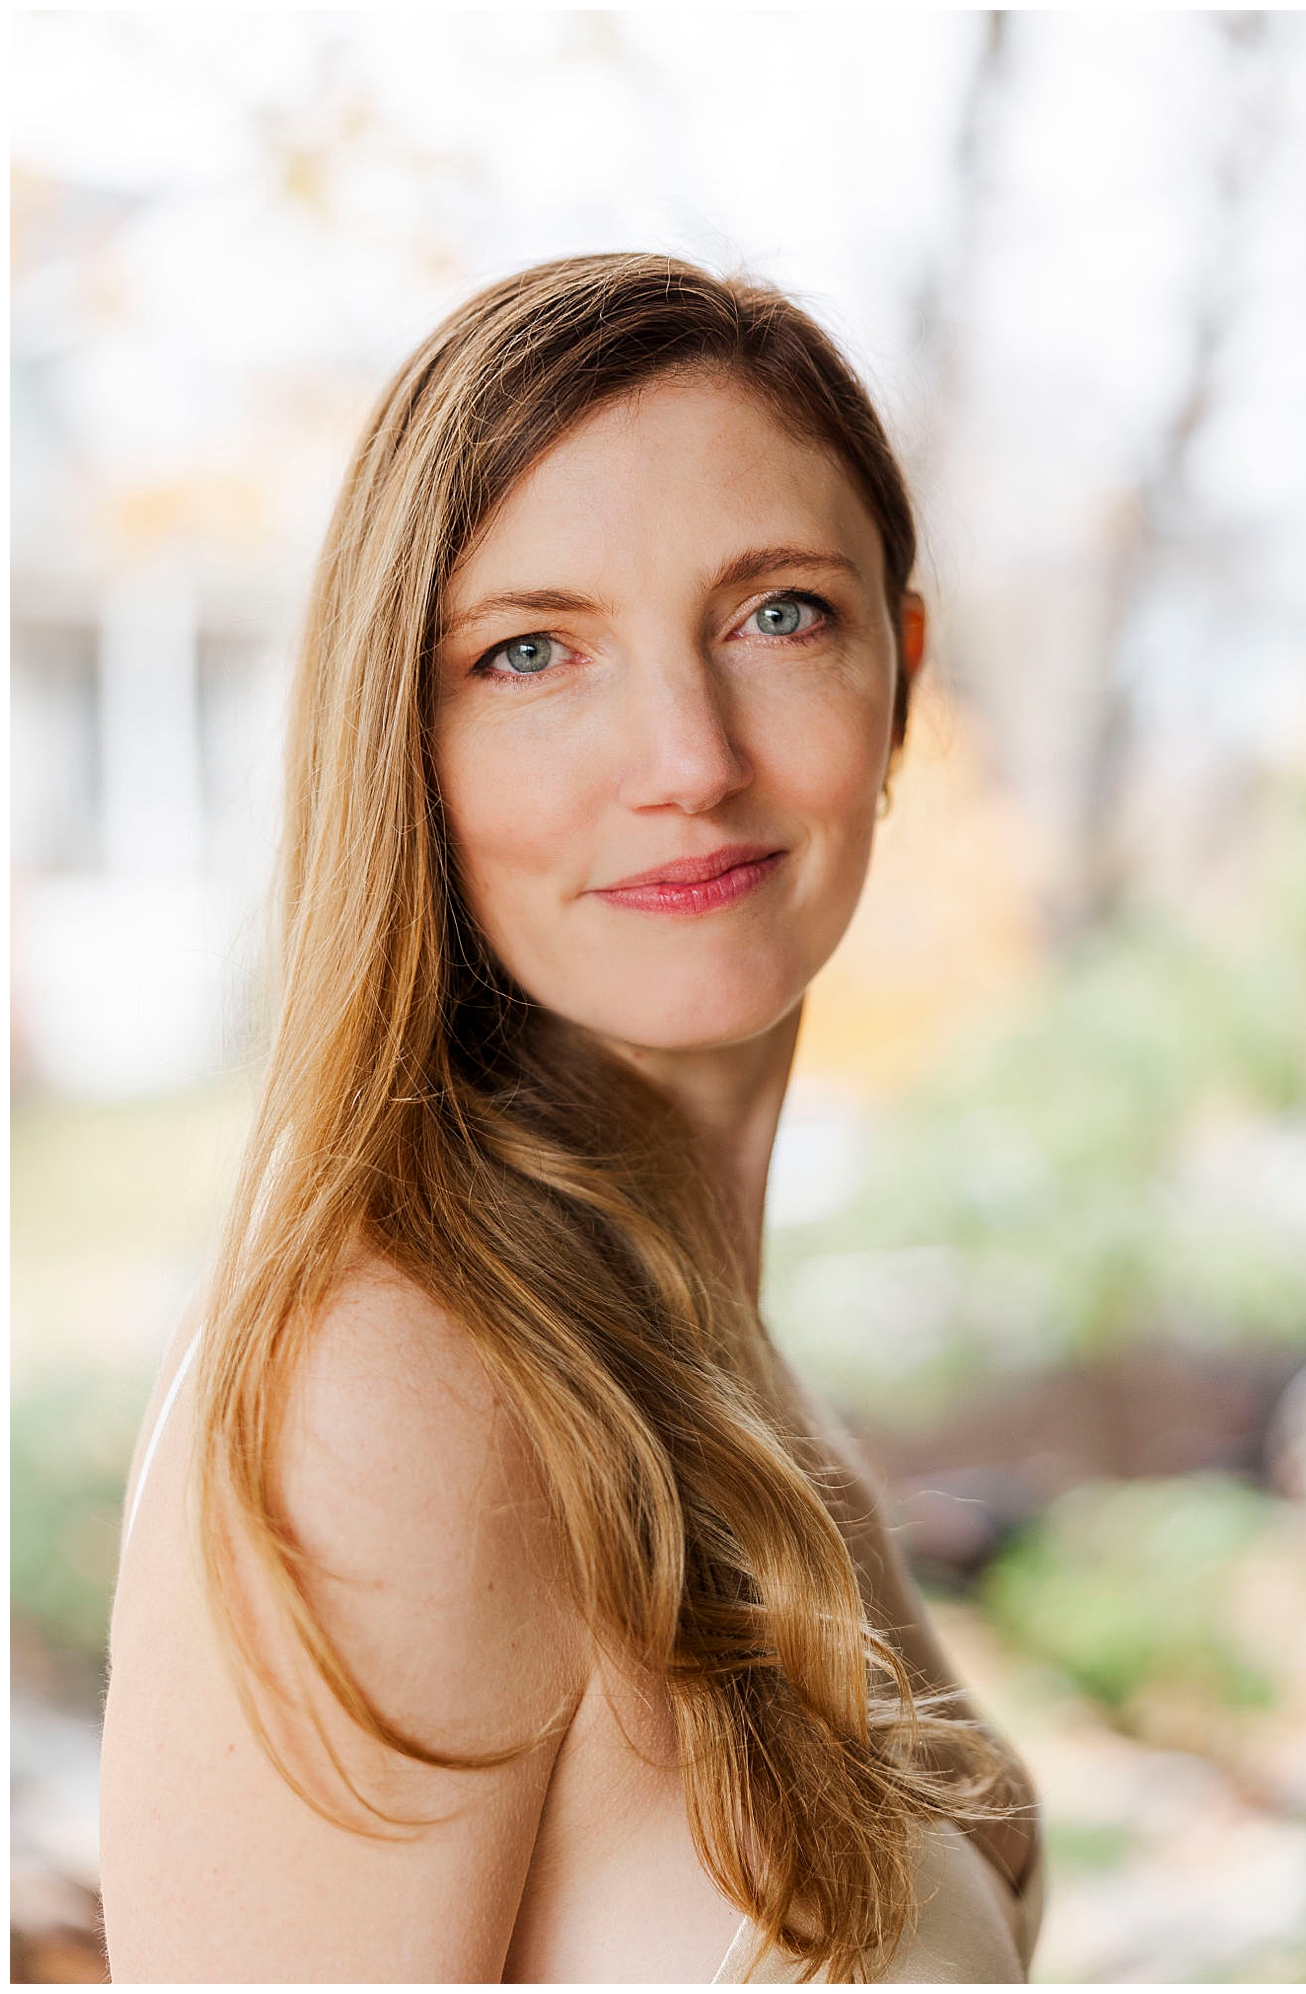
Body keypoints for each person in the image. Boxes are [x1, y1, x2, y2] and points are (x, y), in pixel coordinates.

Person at [98, 254, 1042, 1984]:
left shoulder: (707, 1352)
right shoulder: (394, 1390)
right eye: (531, 650)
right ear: (408, 739)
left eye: (780, 613)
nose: (687, 754)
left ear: (900, 675)